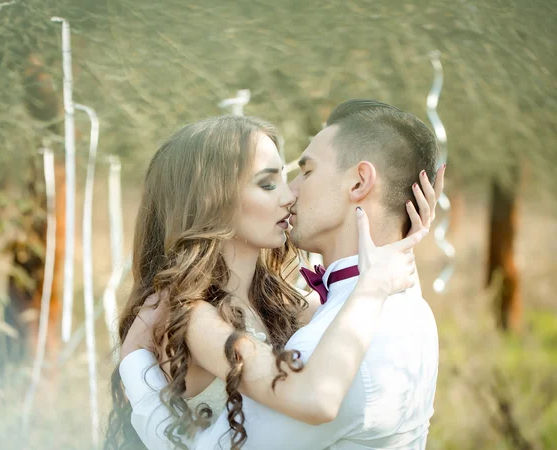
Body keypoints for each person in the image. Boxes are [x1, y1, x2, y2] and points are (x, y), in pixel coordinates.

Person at [107, 101, 444, 449]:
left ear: (360, 181)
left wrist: (402, 235)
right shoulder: (189, 319)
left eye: (298, 174)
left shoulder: (291, 307)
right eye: (268, 184)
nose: (290, 195)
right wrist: (135, 366)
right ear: (212, 202)